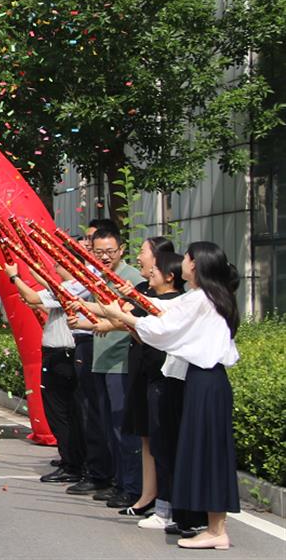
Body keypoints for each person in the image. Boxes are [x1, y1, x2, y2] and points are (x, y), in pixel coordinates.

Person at [94, 241, 241, 550]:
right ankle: (213, 527)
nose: (182, 261)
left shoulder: (202, 298)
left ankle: (216, 530)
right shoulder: (203, 296)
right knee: (204, 453)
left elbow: (164, 328)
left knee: (207, 454)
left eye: (186, 257)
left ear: (195, 265)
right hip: (204, 381)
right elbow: (164, 309)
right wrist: (126, 301)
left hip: (205, 382)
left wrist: (124, 316)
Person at [74, 227, 144, 508]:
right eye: (98, 252)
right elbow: (99, 316)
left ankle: (132, 486)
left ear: (121, 250)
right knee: (107, 427)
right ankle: (119, 481)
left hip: (122, 362)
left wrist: (104, 324)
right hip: (101, 359)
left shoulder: (131, 280)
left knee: (122, 428)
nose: (104, 257)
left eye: (109, 251)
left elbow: (137, 321)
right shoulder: (99, 279)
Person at [4, 257, 86, 483]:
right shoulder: (70, 287)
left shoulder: (72, 288)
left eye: (59, 263)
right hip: (61, 355)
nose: (55, 267)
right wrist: (31, 270)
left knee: (60, 412)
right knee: (65, 412)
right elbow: (44, 295)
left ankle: (72, 464)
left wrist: (14, 277)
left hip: (62, 356)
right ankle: (70, 458)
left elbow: (34, 295)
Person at [117, 236, 177, 519]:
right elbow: (131, 324)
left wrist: (120, 314)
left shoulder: (177, 301)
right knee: (146, 435)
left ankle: (165, 502)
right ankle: (148, 495)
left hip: (162, 372)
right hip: (143, 368)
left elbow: (143, 326)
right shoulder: (142, 290)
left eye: (142, 251)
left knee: (160, 438)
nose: (139, 257)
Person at [66, 220, 119, 497]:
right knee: (95, 415)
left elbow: (117, 317)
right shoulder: (95, 276)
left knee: (107, 419)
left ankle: (108, 476)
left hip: (114, 356)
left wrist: (87, 320)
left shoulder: (123, 279)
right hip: (97, 350)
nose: (89, 246)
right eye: (93, 246)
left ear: (120, 249)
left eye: (103, 248)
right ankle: (101, 473)